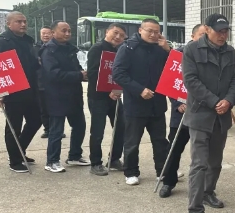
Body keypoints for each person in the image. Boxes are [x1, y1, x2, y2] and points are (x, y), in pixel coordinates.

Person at [182, 15, 235, 213]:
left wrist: (229, 100)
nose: (223, 35)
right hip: (200, 114)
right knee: (199, 164)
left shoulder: (230, 52)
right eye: (219, 31)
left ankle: (208, 192)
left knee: (215, 162)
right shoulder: (192, 50)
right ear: (207, 29)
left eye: (226, 31)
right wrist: (215, 101)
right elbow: (191, 81)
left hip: (221, 116)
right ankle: (195, 210)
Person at [112, 18, 171, 185]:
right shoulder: (128, 48)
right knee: (132, 141)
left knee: (160, 141)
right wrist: (139, 90)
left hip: (157, 104)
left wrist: (168, 50)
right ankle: (131, 172)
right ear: (140, 30)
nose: (153, 35)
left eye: (156, 32)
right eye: (149, 31)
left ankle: (162, 171)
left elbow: (174, 69)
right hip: (135, 104)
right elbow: (118, 73)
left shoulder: (161, 49)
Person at [159, 23, 207, 199]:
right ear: (193, 36)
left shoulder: (213, 55)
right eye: (202, 35)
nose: (205, 38)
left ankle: (204, 187)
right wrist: (177, 102)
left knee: (202, 153)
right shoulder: (179, 55)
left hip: (203, 112)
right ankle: (168, 181)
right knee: (174, 149)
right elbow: (170, 81)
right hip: (182, 112)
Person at [0, 12, 43, 173]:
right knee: (14, 126)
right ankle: (14, 161)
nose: (23, 24)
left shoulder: (28, 41)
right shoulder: (2, 42)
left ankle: (19, 151)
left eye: (24, 21)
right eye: (18, 22)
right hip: (13, 91)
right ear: (9, 24)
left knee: (36, 120)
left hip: (30, 89)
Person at [40, 20, 90, 173]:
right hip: (57, 96)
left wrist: (83, 74)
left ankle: (75, 156)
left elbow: (76, 68)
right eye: (63, 31)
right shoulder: (48, 51)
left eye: (69, 31)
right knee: (57, 130)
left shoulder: (70, 49)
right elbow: (53, 74)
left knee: (79, 126)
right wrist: (78, 75)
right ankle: (52, 161)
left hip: (74, 95)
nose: (67, 33)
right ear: (53, 33)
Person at [86, 23, 127, 176]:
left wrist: (118, 89)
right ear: (107, 32)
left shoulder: (120, 50)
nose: (118, 37)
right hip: (98, 97)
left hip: (115, 96)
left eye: (122, 35)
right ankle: (95, 163)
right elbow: (92, 73)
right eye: (115, 33)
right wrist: (108, 89)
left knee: (121, 127)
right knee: (98, 130)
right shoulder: (97, 49)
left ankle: (114, 159)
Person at [34, 26, 58, 139]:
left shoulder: (57, 48)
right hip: (40, 84)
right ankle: (47, 129)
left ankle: (56, 129)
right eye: (43, 33)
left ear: (52, 34)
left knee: (55, 108)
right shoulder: (35, 48)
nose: (45, 35)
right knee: (43, 109)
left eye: (47, 33)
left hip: (54, 83)